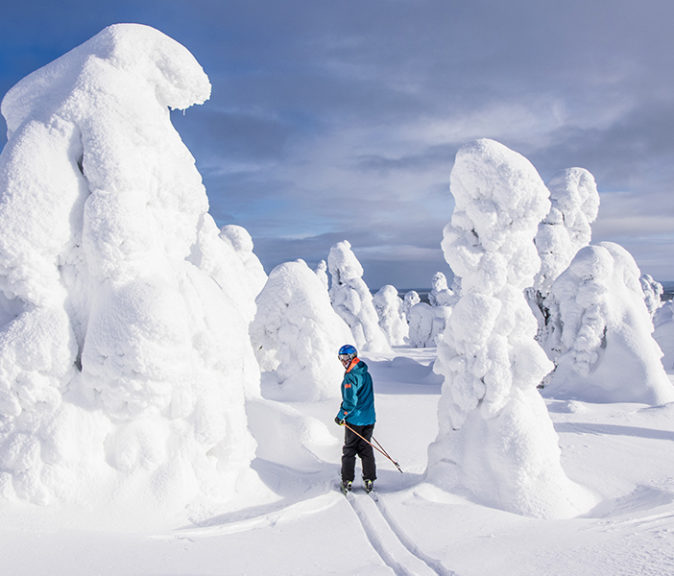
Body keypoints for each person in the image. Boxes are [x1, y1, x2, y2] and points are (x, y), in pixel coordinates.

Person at [334, 344, 376, 493]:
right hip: (369, 418)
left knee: (350, 449)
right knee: (366, 448)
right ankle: (369, 478)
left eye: (346, 358)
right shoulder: (365, 372)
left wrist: (340, 416)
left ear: (353, 356)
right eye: (341, 358)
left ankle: (347, 480)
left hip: (355, 420)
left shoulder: (350, 377)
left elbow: (350, 403)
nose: (343, 361)